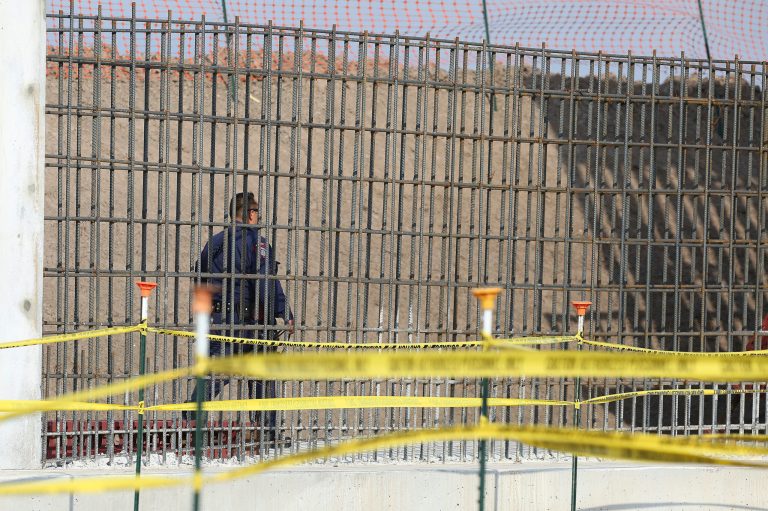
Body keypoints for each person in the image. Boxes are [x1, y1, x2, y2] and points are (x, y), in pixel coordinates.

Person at [184, 191, 293, 448]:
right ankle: (265, 431)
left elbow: (200, 279)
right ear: (250, 214)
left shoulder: (216, 242)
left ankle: (190, 423)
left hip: (221, 318)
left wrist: (205, 316)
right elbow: (266, 283)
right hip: (251, 319)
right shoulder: (259, 243)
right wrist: (282, 315)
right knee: (262, 377)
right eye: (256, 212)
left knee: (215, 373)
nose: (258, 217)